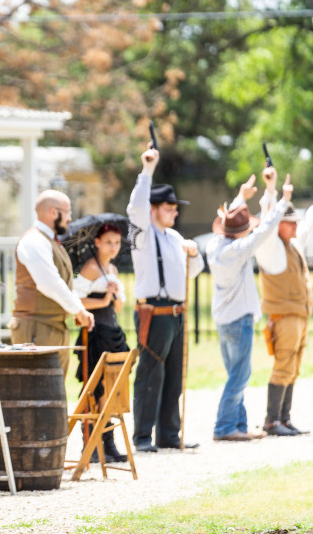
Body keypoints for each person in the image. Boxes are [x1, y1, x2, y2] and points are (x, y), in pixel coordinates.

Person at [127, 143, 204, 453]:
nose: (174, 212)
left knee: (174, 374)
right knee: (151, 372)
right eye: (168, 208)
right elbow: (135, 208)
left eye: (175, 208)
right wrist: (147, 170)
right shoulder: (143, 235)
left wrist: (195, 253)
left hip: (176, 312)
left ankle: (170, 434)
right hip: (154, 312)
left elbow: (194, 270)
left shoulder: (174, 237)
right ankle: (143, 436)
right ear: (153, 209)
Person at [207, 173, 291, 442]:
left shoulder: (215, 245)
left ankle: (238, 425)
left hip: (223, 318)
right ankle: (224, 427)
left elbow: (231, 221)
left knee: (236, 373)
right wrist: (281, 200)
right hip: (239, 319)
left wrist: (241, 197)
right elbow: (265, 229)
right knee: (239, 376)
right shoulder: (238, 249)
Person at [9, 190, 94, 376]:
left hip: (54, 327)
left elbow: (61, 284)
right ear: (54, 212)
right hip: (36, 328)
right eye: (68, 212)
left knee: (54, 395)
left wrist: (77, 309)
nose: (70, 218)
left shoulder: (50, 241)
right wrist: (79, 310)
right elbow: (50, 283)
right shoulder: (33, 240)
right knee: (35, 393)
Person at [255, 166, 313, 437]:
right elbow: (267, 221)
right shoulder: (271, 247)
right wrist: (272, 191)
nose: (295, 226)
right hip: (285, 316)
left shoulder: (291, 247)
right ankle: (272, 420)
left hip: (299, 316)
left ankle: (284, 417)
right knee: (283, 366)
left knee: (293, 367)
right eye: (290, 222)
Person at [72, 223, 130, 462]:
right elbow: (75, 301)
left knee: (112, 389)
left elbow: (118, 306)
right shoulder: (90, 268)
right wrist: (103, 298)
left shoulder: (112, 269)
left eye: (117, 242)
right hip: (96, 334)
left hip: (113, 331)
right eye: (108, 242)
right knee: (96, 389)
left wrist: (114, 296)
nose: (113, 247)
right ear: (97, 242)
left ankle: (108, 443)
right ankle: (91, 444)